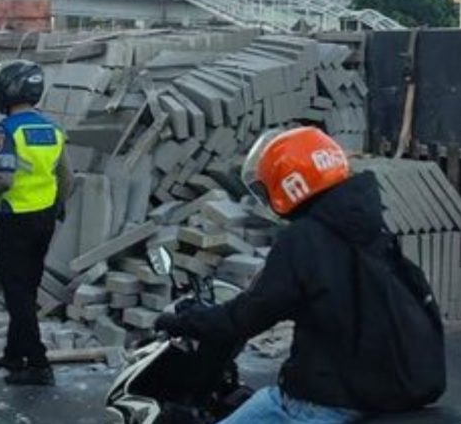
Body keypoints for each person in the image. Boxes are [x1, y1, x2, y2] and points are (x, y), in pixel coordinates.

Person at [155, 127, 445, 423]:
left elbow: (247, 317)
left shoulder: (304, 239)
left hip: (321, 404)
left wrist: (186, 320)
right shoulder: (369, 229)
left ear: (288, 183)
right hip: (384, 395)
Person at [0, 60, 73, 386]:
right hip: (45, 217)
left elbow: (4, 178)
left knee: (15, 291)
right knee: (28, 287)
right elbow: (66, 177)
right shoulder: (52, 129)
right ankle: (13, 353)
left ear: (6, 91)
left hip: (15, 218)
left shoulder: (7, 130)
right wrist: (58, 205)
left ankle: (38, 363)